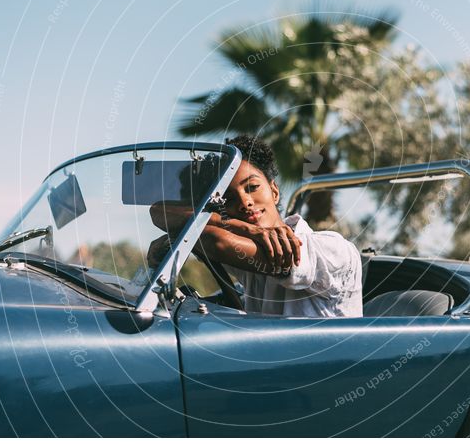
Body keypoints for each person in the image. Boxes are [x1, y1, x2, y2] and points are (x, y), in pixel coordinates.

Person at [150, 135, 362, 317]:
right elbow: (158, 211)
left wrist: (198, 232)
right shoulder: (250, 240)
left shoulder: (328, 249)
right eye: (229, 199)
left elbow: (217, 242)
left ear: (274, 191)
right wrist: (245, 228)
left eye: (252, 187)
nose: (244, 202)